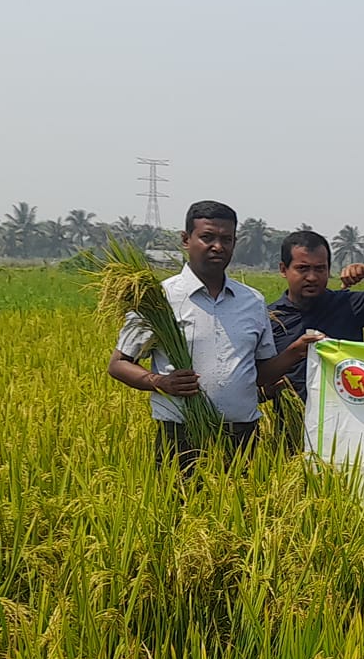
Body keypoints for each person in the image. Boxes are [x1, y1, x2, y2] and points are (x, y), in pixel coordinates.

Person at [109, 200, 322, 472]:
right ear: (186, 240)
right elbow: (118, 364)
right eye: (207, 237)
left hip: (243, 435)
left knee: (242, 511)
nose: (218, 246)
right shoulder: (158, 299)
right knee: (179, 510)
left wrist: (296, 351)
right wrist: (161, 382)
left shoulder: (252, 301)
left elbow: (261, 374)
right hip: (182, 434)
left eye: (226, 239)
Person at [267, 229, 364, 400]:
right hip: (291, 422)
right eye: (302, 268)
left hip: (347, 419)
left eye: (320, 269)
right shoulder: (269, 318)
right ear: (283, 269)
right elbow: (255, 377)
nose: (312, 277)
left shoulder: (350, 305)